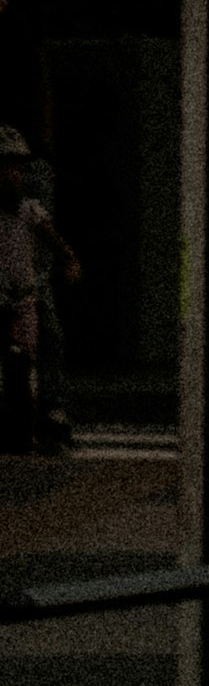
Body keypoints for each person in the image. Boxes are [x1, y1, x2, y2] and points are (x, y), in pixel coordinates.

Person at [0, 118, 77, 452]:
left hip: (24, 294)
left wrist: (70, 259)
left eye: (17, 169)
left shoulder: (27, 209)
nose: (11, 176)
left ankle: (39, 420)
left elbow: (50, 236)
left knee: (33, 355)